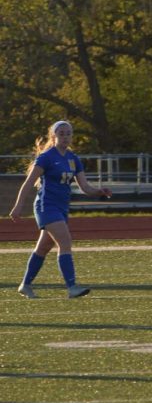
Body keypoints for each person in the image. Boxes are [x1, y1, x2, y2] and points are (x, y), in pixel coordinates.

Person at [9, 120, 112, 298]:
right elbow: (28, 183)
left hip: (61, 208)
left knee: (43, 248)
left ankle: (25, 285)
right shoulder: (46, 157)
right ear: (54, 136)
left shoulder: (73, 159)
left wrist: (99, 191)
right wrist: (18, 206)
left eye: (68, 133)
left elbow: (85, 187)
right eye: (61, 133)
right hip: (46, 206)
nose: (65, 137)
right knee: (65, 242)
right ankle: (72, 287)